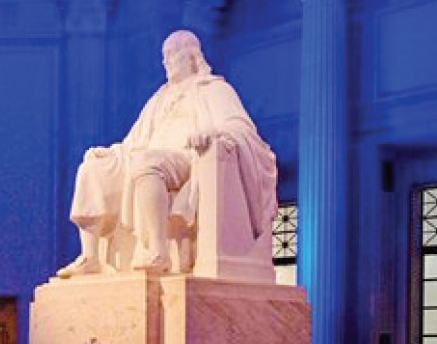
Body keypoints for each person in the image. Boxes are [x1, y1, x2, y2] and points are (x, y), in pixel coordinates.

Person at [57, 30, 277, 278]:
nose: (166, 61)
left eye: (172, 54)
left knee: (147, 162)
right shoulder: (159, 98)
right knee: (92, 167)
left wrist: (212, 132)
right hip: (147, 157)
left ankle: (157, 251)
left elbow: (240, 128)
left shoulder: (214, 89)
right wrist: (110, 153)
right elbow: (134, 142)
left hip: (187, 158)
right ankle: (91, 257)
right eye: (164, 56)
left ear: (192, 56)